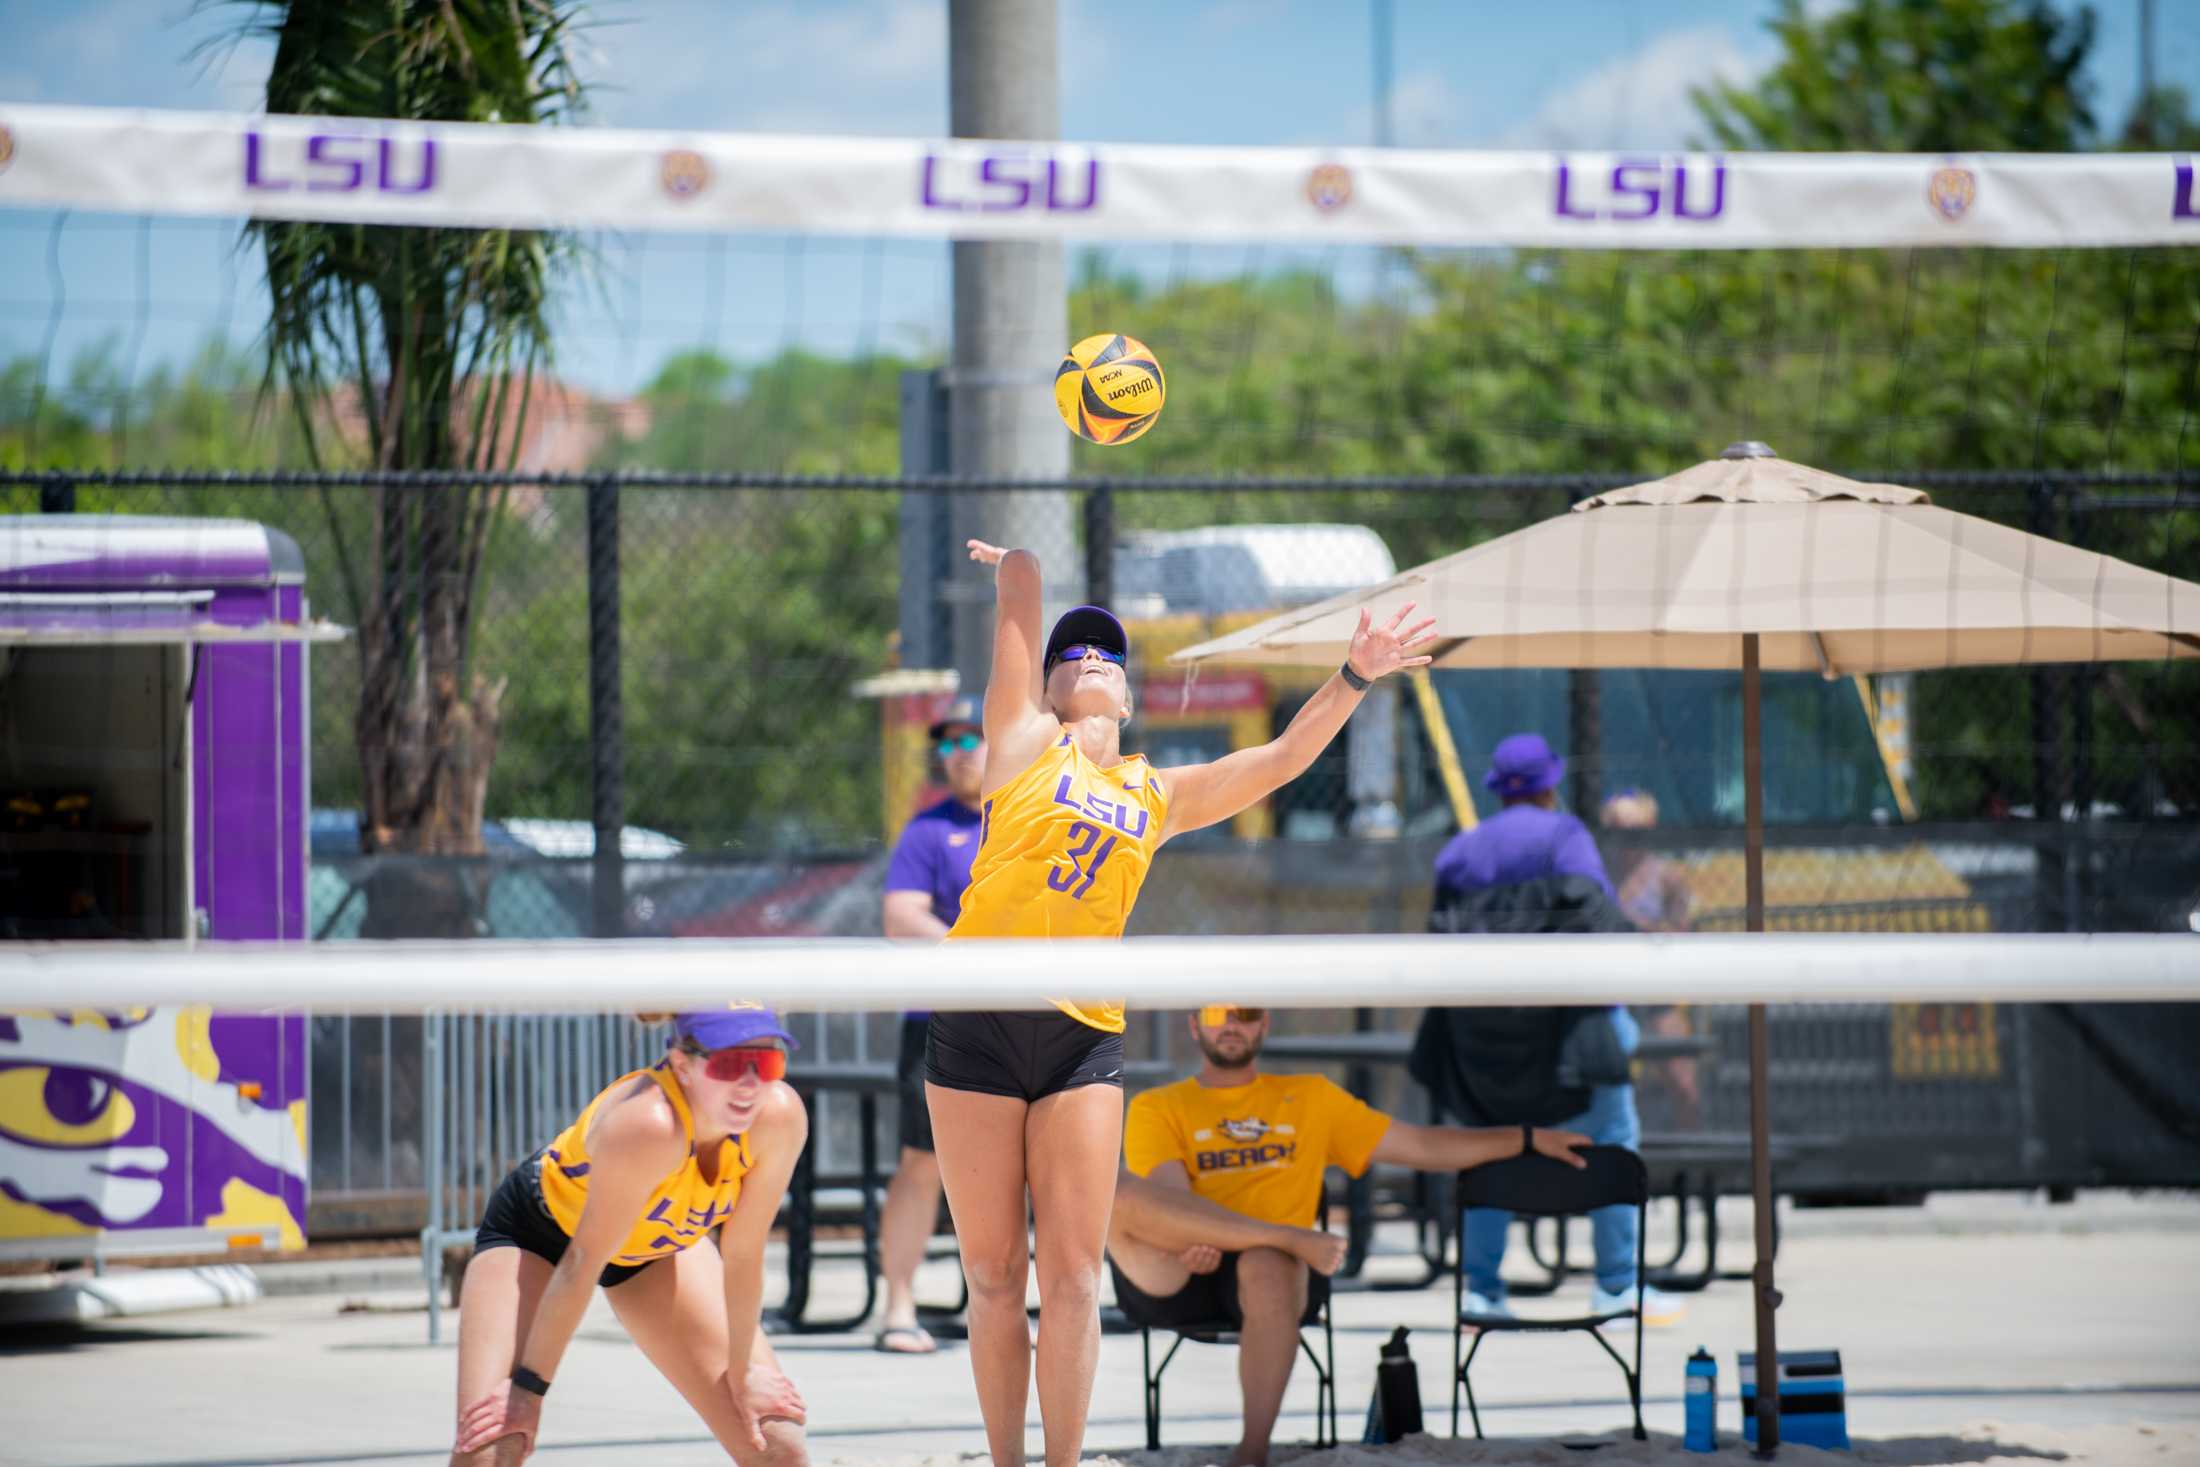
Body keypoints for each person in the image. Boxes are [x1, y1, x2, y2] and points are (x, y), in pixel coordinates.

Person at [930, 538, 1432, 1467]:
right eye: (1074, 654)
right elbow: (1021, 602)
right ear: (1046, 689)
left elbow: (1282, 759)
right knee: (996, 1274)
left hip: (1083, 1035)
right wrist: (1024, 564)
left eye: (1112, 658)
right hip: (977, 1021)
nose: (1093, 659)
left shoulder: (1152, 791)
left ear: (1128, 698)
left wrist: (1355, 676)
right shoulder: (1023, 745)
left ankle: (1064, 1464)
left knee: (1073, 1274)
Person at [1113, 1004, 1591, 1467]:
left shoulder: (1309, 1096)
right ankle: (1284, 1237)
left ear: (1265, 1025)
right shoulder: (1160, 1104)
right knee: (1115, 1193)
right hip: (1183, 1265)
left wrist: (1526, 1138)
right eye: (1219, 1015)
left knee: (1266, 1263)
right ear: (1195, 1027)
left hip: (1279, 1275)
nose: (1232, 1025)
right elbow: (1169, 1201)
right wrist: (1249, 1236)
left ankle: (1251, 1454)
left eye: (1247, 1014)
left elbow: (1421, 1145)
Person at [449, 1008, 811, 1467]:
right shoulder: (650, 1123)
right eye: (728, 1065)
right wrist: (528, 1391)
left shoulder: (778, 1116)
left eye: (767, 1063)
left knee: (775, 1441)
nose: (749, 1083)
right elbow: (582, 1264)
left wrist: (744, 1372)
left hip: (658, 1249)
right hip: (540, 1236)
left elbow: (742, 1255)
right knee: (493, 1448)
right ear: (683, 1065)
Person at [1427, 733, 1684, 1329]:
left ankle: (1482, 1290)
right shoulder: (1566, 835)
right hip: (1577, 1029)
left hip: (1487, 1038)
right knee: (1613, 1138)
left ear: (1498, 789)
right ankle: (1617, 1285)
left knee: (1491, 1150)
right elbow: (1597, 917)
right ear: (1549, 785)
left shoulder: (1461, 852)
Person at [875, 695, 987, 1354]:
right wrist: (974, 953)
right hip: (939, 1019)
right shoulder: (926, 830)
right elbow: (901, 917)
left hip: (1025, 1016)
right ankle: (898, 1305)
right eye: (948, 743)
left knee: (1023, 1169)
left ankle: (1002, 1306)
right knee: (921, 1163)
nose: (961, 753)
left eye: (972, 737)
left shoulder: (1031, 816)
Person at [1601, 788, 1702, 1129]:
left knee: (1684, 1081)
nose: (1629, 845)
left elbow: (1681, 930)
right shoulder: (1596, 876)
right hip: (1606, 992)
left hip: (1656, 990)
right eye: (1620, 835)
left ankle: (1692, 1156)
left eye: (1638, 835)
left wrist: (1640, 929)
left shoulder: (1667, 877)